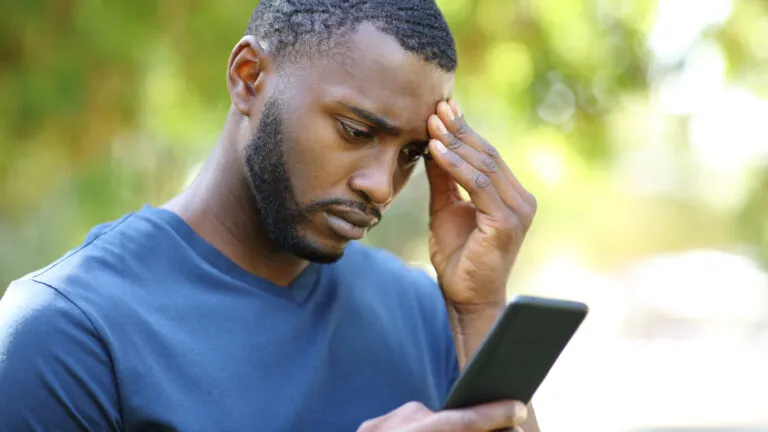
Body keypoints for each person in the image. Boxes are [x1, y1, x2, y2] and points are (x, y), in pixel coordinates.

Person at [0, 1, 540, 431]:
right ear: (249, 76)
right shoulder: (69, 331)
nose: (381, 186)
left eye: (411, 154)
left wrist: (480, 312)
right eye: (356, 131)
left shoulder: (426, 314)